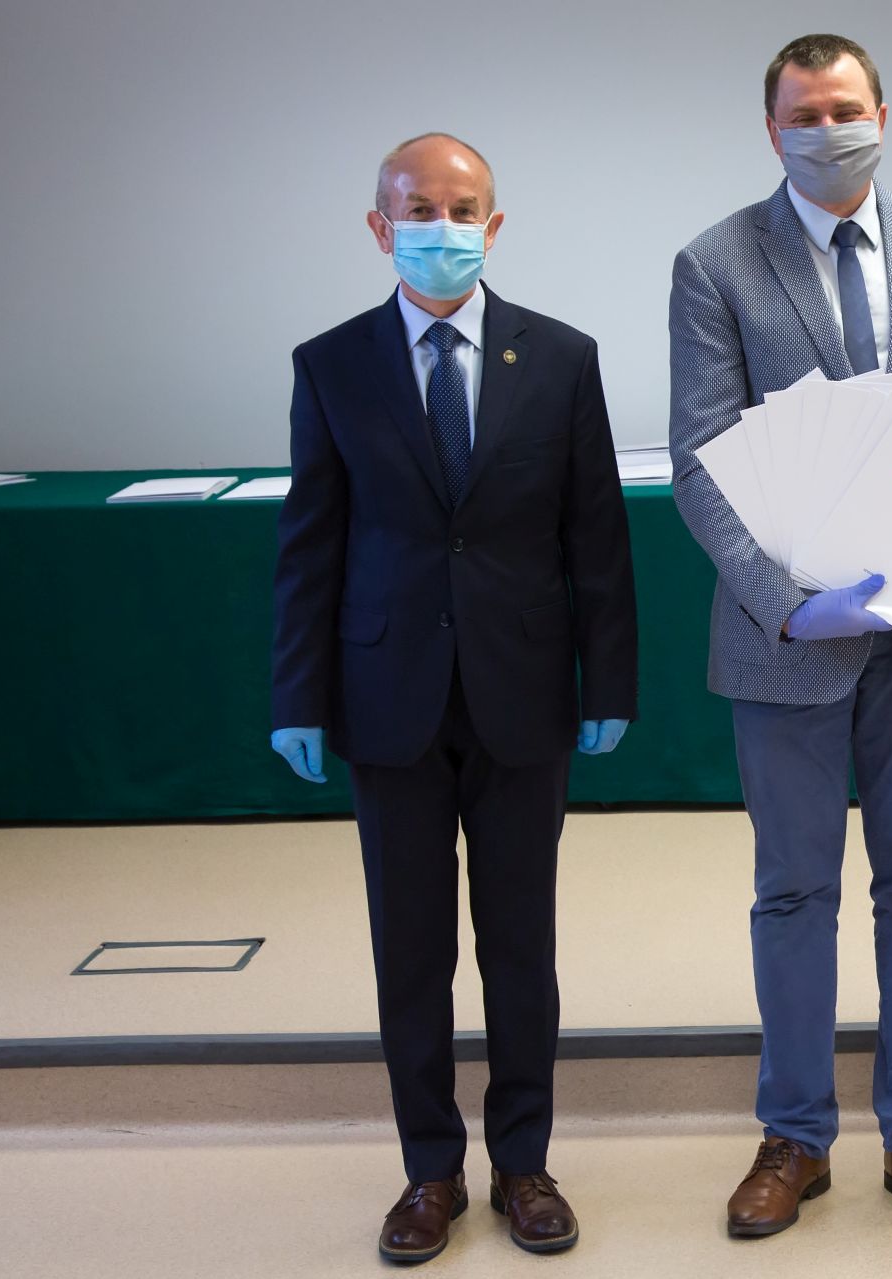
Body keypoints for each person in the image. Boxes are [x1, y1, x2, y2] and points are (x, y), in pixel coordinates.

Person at [668, 33, 892, 1239]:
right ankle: (795, 1135)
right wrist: (785, 600)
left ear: (884, 111)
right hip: (790, 638)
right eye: (804, 115)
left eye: (845, 109)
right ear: (770, 130)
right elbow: (700, 463)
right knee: (793, 890)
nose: (829, 131)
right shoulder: (716, 261)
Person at [269, 132, 638, 1261]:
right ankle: (430, 1169)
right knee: (411, 948)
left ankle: (525, 1162)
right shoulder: (332, 364)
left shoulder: (562, 357)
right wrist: (297, 695)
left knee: (520, 944)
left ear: (496, 223)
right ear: (379, 227)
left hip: (522, 692)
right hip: (388, 697)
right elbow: (311, 542)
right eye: (418, 209)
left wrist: (609, 678)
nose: (442, 226)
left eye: (463, 208)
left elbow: (597, 537)